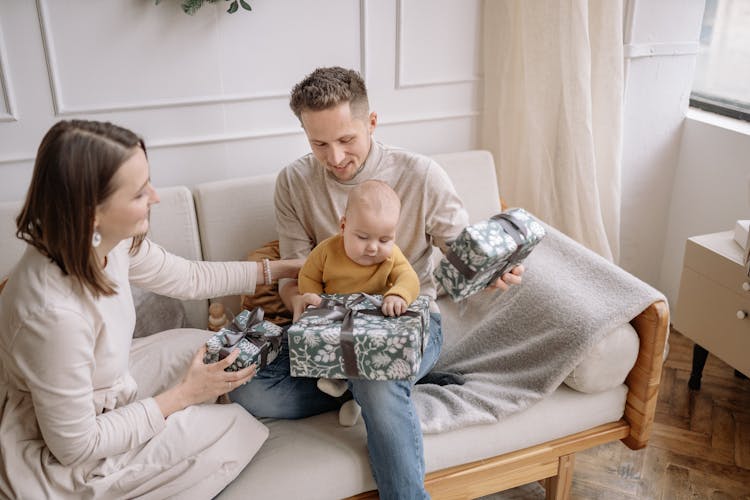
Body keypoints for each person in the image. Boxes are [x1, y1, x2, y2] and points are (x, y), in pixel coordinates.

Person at [229, 67, 524, 499]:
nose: (334, 157)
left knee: (374, 367)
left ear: (371, 123)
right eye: (318, 144)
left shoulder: (421, 175)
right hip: (328, 328)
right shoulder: (293, 182)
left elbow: (462, 253)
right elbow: (296, 274)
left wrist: (493, 270)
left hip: (408, 321)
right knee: (248, 390)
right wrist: (300, 304)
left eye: (346, 140)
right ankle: (385, 387)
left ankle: (381, 394)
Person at [0, 119, 303, 499]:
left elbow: (189, 277)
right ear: (92, 211)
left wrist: (283, 269)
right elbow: (74, 446)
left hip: (107, 383)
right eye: (140, 192)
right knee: (233, 426)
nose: (155, 197)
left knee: (206, 345)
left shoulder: (106, 243)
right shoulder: (52, 314)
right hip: (65, 450)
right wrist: (184, 395)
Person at [296, 179, 420, 427]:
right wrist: (311, 297)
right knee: (328, 348)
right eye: (363, 237)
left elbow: (409, 277)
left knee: (374, 358)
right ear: (343, 226)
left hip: (374, 321)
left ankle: (351, 397)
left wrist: (398, 294)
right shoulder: (327, 251)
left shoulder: (391, 256)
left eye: (385, 240)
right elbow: (308, 275)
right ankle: (341, 386)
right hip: (335, 317)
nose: (373, 248)